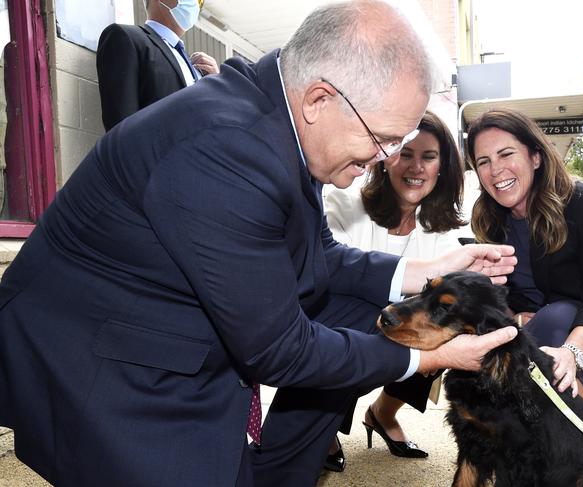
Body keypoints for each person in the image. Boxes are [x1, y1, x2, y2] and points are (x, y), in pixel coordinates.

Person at [0, 3, 518, 487]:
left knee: (361, 307)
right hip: (108, 357)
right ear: (320, 99)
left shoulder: (284, 121)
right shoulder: (228, 152)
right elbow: (280, 350)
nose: (386, 158)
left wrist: (428, 269)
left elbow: (322, 256)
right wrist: (425, 359)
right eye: (384, 139)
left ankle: (279, 470)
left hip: (161, 316)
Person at [466, 107, 583, 407]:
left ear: (535, 157)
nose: (495, 169)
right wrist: (514, 319)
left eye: (506, 154)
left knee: (558, 317)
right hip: (530, 330)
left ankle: (580, 441)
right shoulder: (489, 221)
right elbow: (490, 298)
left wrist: (571, 352)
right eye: (484, 161)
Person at [324, 111, 470, 463]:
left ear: (442, 167)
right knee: (354, 321)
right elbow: (330, 282)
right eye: (406, 153)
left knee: (441, 326)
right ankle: (322, 428)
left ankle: (383, 412)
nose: (416, 167)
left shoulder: (445, 232)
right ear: (386, 157)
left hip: (396, 333)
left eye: (428, 157)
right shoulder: (344, 202)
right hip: (336, 331)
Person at [96, 0, 219, 131]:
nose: (195, 3)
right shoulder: (127, 38)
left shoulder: (198, 69)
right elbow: (122, 127)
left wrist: (219, 89)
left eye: (200, 2)